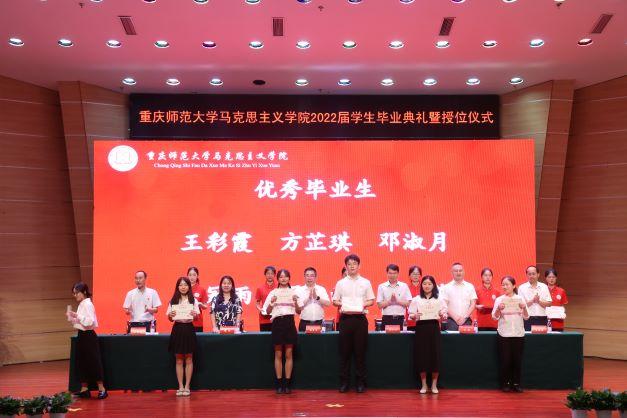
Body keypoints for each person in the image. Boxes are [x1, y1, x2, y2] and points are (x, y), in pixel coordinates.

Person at [332, 254, 375, 393]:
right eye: (349, 264)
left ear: (359, 266)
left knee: (360, 353)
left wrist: (362, 304)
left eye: (354, 264)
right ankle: (344, 382)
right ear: (346, 266)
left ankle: (360, 382)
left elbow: (371, 300)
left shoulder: (366, 282)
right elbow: (335, 301)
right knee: (344, 353)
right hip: (345, 320)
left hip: (360, 320)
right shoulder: (341, 283)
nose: (352, 266)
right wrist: (344, 304)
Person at [262, 269, 301, 394]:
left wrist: (296, 301)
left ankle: (287, 384)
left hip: (289, 322)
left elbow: (299, 311)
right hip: (277, 323)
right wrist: (272, 302)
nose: (283, 279)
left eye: (286, 277)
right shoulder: (273, 292)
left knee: (289, 354)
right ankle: (279, 384)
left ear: (289, 278)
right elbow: (267, 311)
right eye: (281, 277)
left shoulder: (294, 292)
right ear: (277, 279)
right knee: (278, 354)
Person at [67, 282, 107, 399]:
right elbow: (81, 323)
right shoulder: (82, 304)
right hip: (82, 335)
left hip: (89, 336)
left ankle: (102, 389)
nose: (75, 295)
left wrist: (77, 316)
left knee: (93, 362)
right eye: (74, 293)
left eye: (77, 293)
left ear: (84, 292)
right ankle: (84, 389)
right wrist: (72, 318)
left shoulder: (88, 304)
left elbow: (90, 322)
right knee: (82, 362)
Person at [408, 276, 447, 394]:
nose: (427, 286)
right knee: (422, 356)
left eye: (429, 284)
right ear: (421, 285)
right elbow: (410, 315)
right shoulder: (416, 299)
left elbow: (444, 314)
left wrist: (443, 315)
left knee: (435, 355)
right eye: (424, 283)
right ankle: (424, 384)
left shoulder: (439, 299)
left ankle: (434, 385)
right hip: (421, 328)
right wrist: (414, 316)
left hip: (434, 328)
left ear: (433, 285)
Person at [492, 276, 530, 392]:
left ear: (513, 286)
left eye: (507, 284)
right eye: (503, 284)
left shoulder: (520, 299)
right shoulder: (499, 300)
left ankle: (516, 384)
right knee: (505, 360)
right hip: (504, 333)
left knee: (517, 360)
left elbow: (526, 317)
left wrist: (524, 308)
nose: (504, 286)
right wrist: (498, 309)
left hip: (518, 333)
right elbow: (494, 317)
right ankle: (505, 383)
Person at [166, 277, 200, 397]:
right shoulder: (173, 300)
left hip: (189, 328)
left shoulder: (193, 300)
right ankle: (180, 386)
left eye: (185, 285)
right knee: (179, 359)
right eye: (180, 285)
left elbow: (196, 317)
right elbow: (170, 318)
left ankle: (187, 386)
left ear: (189, 287)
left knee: (189, 359)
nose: (183, 287)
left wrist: (195, 315)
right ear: (177, 287)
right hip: (178, 329)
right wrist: (170, 315)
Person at [441, 262, 477, 331]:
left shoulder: (470, 286)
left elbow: (473, 304)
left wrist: (464, 317)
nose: (458, 273)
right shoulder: (446, 287)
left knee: (466, 338)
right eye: (456, 271)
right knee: (452, 337)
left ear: (464, 272)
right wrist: (456, 318)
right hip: (451, 320)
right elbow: (444, 305)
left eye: (460, 270)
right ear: (452, 273)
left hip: (466, 319)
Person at [295, 267, 331, 332]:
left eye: (312, 275)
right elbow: (298, 309)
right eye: (307, 275)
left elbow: (328, 304)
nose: (309, 278)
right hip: (304, 323)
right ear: (304, 277)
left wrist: (317, 297)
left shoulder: (321, 289)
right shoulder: (299, 290)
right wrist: (308, 298)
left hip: (319, 323)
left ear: (315, 277)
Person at [376, 264, 412, 328]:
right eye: (390, 273)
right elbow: (379, 305)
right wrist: (389, 301)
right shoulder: (381, 286)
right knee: (386, 335)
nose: (392, 275)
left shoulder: (404, 286)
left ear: (398, 274)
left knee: (401, 335)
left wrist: (397, 301)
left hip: (400, 319)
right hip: (386, 318)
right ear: (387, 273)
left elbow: (409, 303)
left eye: (394, 273)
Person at [518, 265, 552, 331]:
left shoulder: (544, 286)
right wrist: (532, 301)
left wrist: (539, 301)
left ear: (538, 274)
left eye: (533, 274)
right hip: (527, 319)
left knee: (540, 337)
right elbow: (520, 306)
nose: (531, 276)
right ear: (526, 275)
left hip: (541, 318)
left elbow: (549, 303)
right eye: (529, 274)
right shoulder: (522, 288)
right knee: (527, 337)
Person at [255, 266, 276, 331]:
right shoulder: (260, 288)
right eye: (268, 273)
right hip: (264, 319)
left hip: (276, 317)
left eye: (272, 273)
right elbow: (257, 303)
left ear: (274, 275)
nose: (270, 275)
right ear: (265, 274)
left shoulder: (278, 288)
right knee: (265, 336)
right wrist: (260, 309)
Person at [187, 267, 208, 332]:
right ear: (187, 276)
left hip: (197, 322)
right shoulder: (183, 288)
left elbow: (205, 306)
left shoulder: (201, 289)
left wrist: (201, 305)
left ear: (197, 276)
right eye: (190, 275)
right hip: (184, 320)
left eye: (194, 275)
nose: (192, 277)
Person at [331, 266, 348, 331]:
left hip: (356, 318)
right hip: (341, 317)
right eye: (345, 275)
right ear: (342, 275)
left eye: (349, 275)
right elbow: (334, 302)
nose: (347, 277)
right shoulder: (337, 287)